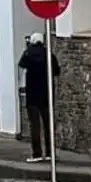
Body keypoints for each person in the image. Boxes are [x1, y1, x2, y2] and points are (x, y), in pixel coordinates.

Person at [18, 32, 61, 163]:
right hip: (46, 94)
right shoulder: (48, 54)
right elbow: (57, 71)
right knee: (48, 125)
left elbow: (21, 64)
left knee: (35, 125)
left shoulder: (28, 54)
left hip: (32, 94)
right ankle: (50, 152)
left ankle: (37, 153)